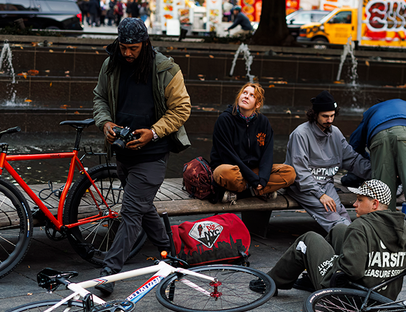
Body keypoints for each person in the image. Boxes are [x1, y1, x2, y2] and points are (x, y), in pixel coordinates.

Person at [92, 18, 192, 296]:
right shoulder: (111, 64)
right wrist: (105, 123)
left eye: (133, 48)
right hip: (123, 153)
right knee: (143, 208)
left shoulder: (166, 69)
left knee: (131, 213)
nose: (127, 53)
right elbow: (99, 98)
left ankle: (109, 273)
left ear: (145, 44)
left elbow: (182, 109)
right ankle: (170, 252)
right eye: (123, 47)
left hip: (153, 155)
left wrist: (154, 132)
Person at [261, 179, 406, 300]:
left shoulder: (361, 227)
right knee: (340, 229)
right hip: (385, 297)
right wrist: (391, 265)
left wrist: (337, 262)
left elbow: (353, 271)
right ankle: (312, 278)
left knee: (308, 239)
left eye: (360, 200)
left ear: (374, 204)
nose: (354, 204)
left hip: (349, 297)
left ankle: (270, 283)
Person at [348, 98, 406, 263]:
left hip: (378, 137)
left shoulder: (370, 112)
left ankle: (386, 243)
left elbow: (354, 145)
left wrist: (371, 161)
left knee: (383, 192)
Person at [285, 91, 371, 232]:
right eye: (325, 116)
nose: (330, 120)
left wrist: (377, 173)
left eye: (332, 115)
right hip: (303, 187)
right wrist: (321, 195)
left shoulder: (335, 133)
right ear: (315, 114)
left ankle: (355, 237)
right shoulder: (300, 134)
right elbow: (300, 172)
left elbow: (352, 160)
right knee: (330, 214)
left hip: (326, 184)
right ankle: (351, 239)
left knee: (341, 212)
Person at [210, 83, 296, 203]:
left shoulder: (263, 122)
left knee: (289, 173)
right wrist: (253, 179)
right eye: (244, 93)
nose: (246, 96)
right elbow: (227, 155)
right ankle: (258, 190)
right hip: (233, 170)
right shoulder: (225, 119)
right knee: (224, 173)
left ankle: (245, 191)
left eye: (252, 95)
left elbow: (267, 154)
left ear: (257, 104)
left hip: (254, 171)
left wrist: (263, 179)